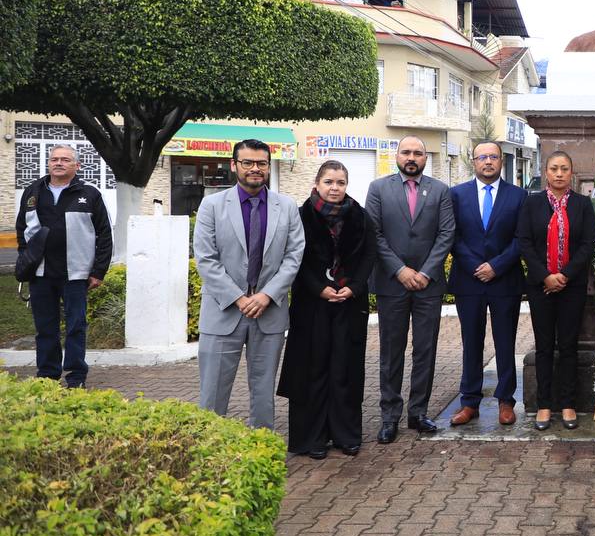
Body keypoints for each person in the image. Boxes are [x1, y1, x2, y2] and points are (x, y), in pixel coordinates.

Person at [194, 139, 304, 429]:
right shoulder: (212, 205)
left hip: (269, 313)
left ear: (269, 166)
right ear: (234, 165)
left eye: (262, 163)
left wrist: (266, 295)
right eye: (248, 163)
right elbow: (205, 258)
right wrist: (239, 298)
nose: (255, 169)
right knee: (212, 394)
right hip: (223, 312)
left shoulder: (288, 207)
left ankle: (261, 448)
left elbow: (294, 256)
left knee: (263, 392)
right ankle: (210, 452)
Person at [276, 161, 376, 459]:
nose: (335, 188)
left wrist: (355, 286)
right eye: (329, 182)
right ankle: (312, 438)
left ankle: (345, 435)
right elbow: (295, 257)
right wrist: (318, 286)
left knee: (345, 369)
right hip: (311, 303)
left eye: (341, 182)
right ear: (317, 184)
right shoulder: (301, 215)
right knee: (312, 368)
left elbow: (369, 254)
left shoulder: (360, 216)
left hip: (349, 302)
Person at [365, 135, 455, 444]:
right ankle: (390, 417)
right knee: (391, 352)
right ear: (397, 155)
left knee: (425, 350)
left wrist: (426, 272)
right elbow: (373, 234)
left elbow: (446, 233)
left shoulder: (440, 191)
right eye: (406, 152)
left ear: (426, 157)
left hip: (428, 286)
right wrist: (401, 270)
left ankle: (418, 413)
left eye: (417, 152)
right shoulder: (378, 189)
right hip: (393, 283)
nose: (411, 157)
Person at [15, 144, 112, 388]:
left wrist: (98, 271)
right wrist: (25, 258)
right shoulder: (33, 191)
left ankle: (76, 376)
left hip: (76, 273)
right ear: (49, 163)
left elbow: (104, 234)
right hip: (41, 273)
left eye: (65, 159)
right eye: (54, 159)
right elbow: (21, 230)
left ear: (76, 166)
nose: (58, 163)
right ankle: (47, 376)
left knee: (75, 327)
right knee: (45, 327)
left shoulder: (89, 194)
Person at [515, 151, 595, 430]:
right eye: (554, 168)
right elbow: (524, 242)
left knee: (568, 346)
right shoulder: (532, 203)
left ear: (571, 173)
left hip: (571, 286)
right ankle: (544, 405)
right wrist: (545, 276)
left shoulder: (582, 205)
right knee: (544, 347)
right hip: (541, 287)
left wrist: (564, 275)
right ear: (546, 173)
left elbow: (588, 243)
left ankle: (568, 404)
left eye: (564, 168)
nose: (559, 173)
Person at [447, 140, 526, 427]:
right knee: (471, 342)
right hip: (468, 281)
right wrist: (473, 266)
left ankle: (506, 401)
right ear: (474, 161)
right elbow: (451, 236)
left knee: (505, 342)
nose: (488, 162)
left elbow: (521, 238)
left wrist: (496, 266)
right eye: (483, 157)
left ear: (500, 161)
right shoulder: (456, 195)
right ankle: (469, 402)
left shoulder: (518, 196)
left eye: (493, 156)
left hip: (505, 280)